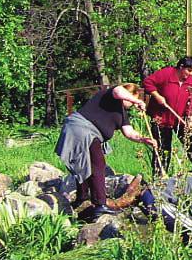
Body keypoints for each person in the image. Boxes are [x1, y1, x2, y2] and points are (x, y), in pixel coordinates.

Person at [55, 83, 157, 218]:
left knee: (86, 165)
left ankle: (82, 198)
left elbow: (129, 132)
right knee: (98, 164)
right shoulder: (110, 95)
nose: (132, 104)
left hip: (90, 133)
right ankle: (100, 204)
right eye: (132, 99)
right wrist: (137, 100)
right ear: (129, 94)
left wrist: (144, 139)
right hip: (81, 128)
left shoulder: (122, 114)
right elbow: (118, 91)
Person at [143, 56, 192, 175]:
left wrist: (190, 118)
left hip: (179, 118)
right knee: (163, 146)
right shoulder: (167, 74)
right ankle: (160, 174)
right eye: (188, 70)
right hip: (161, 118)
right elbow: (148, 82)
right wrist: (157, 96)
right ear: (181, 67)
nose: (190, 74)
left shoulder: (191, 82)